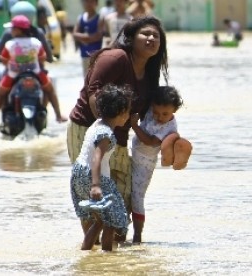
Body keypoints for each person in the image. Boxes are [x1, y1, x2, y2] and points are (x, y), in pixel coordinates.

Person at [67, 15, 169, 242]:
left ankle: (112, 251)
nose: (151, 38)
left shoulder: (151, 73)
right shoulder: (115, 58)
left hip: (120, 136)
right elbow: (94, 94)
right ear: (131, 38)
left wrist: (169, 138)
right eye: (146, 34)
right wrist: (106, 131)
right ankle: (94, 254)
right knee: (93, 193)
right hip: (88, 129)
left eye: (156, 36)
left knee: (123, 196)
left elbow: (153, 116)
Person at [70, 83, 131, 251]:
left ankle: (86, 252)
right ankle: (107, 255)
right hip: (95, 177)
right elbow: (97, 158)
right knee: (111, 220)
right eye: (128, 111)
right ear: (120, 113)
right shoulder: (106, 134)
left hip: (78, 173)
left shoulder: (96, 124)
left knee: (100, 221)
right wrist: (96, 185)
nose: (129, 115)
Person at [130, 86, 192, 243]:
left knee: (137, 197)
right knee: (125, 190)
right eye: (156, 112)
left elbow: (149, 141)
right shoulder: (152, 109)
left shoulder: (169, 127)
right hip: (132, 153)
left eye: (165, 114)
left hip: (145, 162)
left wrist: (134, 125)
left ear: (174, 110)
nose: (159, 117)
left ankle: (137, 236)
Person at [0, 1, 67, 123]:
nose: (11, 30)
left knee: (0, 93)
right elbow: (43, 56)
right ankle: (58, 116)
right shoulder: (36, 40)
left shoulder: (10, 43)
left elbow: (4, 58)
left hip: (13, 74)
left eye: (13, 28)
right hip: (35, 73)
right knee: (50, 90)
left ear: (18, 29)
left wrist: (8, 62)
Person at [73, 0, 105, 77]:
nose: (88, 4)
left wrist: (82, 38)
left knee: (95, 80)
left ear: (96, 3)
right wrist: (89, 37)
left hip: (95, 57)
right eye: (86, 1)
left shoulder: (100, 18)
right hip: (84, 55)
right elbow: (74, 34)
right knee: (86, 80)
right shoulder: (81, 18)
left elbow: (98, 36)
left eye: (91, 1)